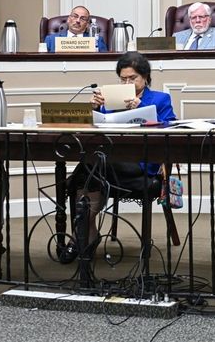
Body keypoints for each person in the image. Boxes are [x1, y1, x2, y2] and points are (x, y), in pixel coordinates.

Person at [59, 52, 176, 264]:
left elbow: (171, 130)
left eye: (133, 78)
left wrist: (140, 108)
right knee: (89, 169)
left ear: (145, 77)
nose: (128, 82)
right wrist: (94, 108)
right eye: (123, 79)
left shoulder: (160, 99)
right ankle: (86, 234)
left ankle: (80, 239)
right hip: (110, 160)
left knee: (87, 170)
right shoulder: (111, 99)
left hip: (142, 164)